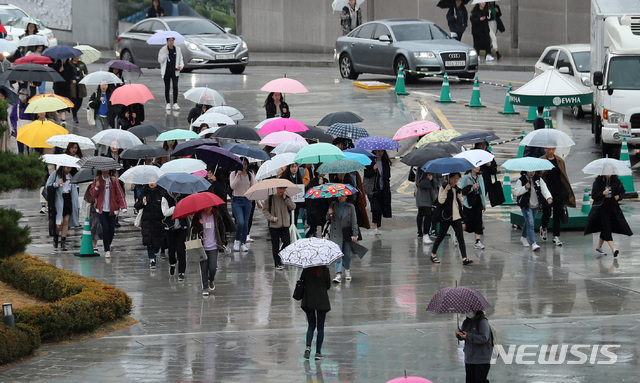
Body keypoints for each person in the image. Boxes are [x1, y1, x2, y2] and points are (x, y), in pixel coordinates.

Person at [584, 167, 633, 257]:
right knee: (606, 227)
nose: (609, 172)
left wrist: (618, 196)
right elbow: (594, 195)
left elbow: (622, 192)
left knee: (607, 227)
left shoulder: (616, 181)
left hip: (612, 208)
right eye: (606, 170)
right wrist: (603, 193)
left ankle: (599, 247)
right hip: (601, 208)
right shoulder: (598, 182)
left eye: (610, 170)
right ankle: (613, 249)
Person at [429, 173, 473, 265]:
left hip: (456, 216)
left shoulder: (457, 189)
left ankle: (464, 258)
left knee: (460, 237)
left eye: (457, 178)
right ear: (449, 178)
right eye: (454, 178)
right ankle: (433, 254)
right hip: (446, 217)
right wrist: (445, 190)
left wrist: (460, 198)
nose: (456, 180)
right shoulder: (443, 187)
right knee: (441, 236)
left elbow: (461, 202)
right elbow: (440, 201)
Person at [539, 147, 575, 246]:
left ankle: (556, 236)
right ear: (545, 149)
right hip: (546, 190)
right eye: (548, 149)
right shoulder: (541, 160)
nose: (551, 151)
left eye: (552, 149)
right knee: (546, 211)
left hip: (558, 190)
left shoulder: (559, 161)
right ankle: (544, 227)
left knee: (557, 213)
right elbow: (539, 176)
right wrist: (544, 170)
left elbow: (563, 176)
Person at [89, 169, 127, 258]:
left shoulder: (114, 180)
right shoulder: (97, 180)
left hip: (112, 209)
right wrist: (97, 187)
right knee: (105, 229)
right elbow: (93, 194)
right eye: (103, 169)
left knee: (111, 230)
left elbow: (119, 193)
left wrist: (123, 207)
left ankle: (107, 244)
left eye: (106, 169)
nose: (105, 171)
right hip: (101, 209)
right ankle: (107, 250)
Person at [513, 170, 552, 251]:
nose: (531, 173)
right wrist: (525, 188)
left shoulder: (538, 179)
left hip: (536, 205)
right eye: (529, 171)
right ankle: (533, 243)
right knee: (531, 223)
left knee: (528, 221)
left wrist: (548, 197)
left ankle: (523, 237)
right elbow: (516, 192)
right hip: (526, 206)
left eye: (533, 171)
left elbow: (544, 189)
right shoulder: (522, 179)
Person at [191, 206, 226, 296]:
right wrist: (199, 224)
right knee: (204, 268)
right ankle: (205, 287)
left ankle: (211, 279)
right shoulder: (198, 216)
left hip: (213, 246)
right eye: (205, 207)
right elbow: (193, 230)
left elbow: (221, 228)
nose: (207, 208)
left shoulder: (216, 215)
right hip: (202, 247)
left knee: (213, 267)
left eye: (209, 207)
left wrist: (222, 242)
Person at [300, 265, 331, 361]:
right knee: (320, 327)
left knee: (311, 325)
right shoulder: (325, 269)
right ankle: (318, 352)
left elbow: (301, 282)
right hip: (322, 300)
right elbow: (328, 286)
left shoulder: (306, 269)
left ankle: (308, 347)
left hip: (309, 300)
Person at [45, 166, 79, 251]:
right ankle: (56, 238)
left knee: (66, 221)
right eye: (67, 168)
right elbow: (48, 185)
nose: (69, 169)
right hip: (59, 200)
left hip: (68, 199)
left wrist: (77, 204)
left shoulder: (72, 175)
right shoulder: (55, 174)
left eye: (70, 168)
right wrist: (57, 184)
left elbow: (74, 189)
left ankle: (63, 242)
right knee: (60, 222)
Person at [135, 180, 167, 269]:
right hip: (147, 221)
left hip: (158, 221)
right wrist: (143, 203)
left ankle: (156, 253)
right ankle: (152, 259)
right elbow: (137, 205)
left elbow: (165, 207)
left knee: (158, 242)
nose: (152, 183)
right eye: (150, 181)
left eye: (154, 181)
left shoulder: (162, 193)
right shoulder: (144, 192)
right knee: (149, 241)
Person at [327, 195, 359, 283]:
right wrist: (329, 213)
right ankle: (338, 273)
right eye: (339, 196)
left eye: (342, 196)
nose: (340, 197)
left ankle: (347, 269)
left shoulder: (350, 207)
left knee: (347, 254)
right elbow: (327, 219)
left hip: (347, 233)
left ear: (346, 197)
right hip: (336, 233)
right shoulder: (333, 205)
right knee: (337, 254)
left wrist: (355, 234)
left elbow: (354, 221)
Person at [262, 186, 296, 270]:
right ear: (277, 188)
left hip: (285, 225)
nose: (282, 190)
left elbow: (293, 207)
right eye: (280, 188)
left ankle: (280, 254)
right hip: (274, 225)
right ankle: (277, 263)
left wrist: (286, 200)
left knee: (287, 242)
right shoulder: (270, 199)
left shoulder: (287, 198)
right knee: (275, 245)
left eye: (284, 189)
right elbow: (265, 210)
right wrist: (271, 218)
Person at [455, 310, 493, 383]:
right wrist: (458, 333)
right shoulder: (466, 322)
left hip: (481, 359)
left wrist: (468, 336)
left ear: (475, 311)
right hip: (469, 358)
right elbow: (463, 337)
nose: (467, 312)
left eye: (469, 310)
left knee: (480, 380)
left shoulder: (482, 322)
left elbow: (484, 338)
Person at [161, 192, 189, 280]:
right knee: (171, 248)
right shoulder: (165, 197)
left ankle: (181, 271)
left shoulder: (184, 196)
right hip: (170, 228)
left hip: (182, 227)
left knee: (181, 249)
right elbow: (165, 212)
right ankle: (172, 264)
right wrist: (175, 208)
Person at [230, 157, 255, 252]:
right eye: (241, 164)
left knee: (246, 223)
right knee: (240, 222)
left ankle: (243, 242)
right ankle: (237, 240)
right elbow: (233, 186)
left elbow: (253, 188)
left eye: (245, 164)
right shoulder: (233, 174)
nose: (243, 166)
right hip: (236, 200)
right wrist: (238, 175)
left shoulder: (249, 175)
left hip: (247, 200)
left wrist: (258, 201)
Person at [363, 150, 392, 234]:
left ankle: (378, 225)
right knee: (376, 208)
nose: (380, 153)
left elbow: (388, 176)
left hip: (383, 188)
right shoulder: (370, 161)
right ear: (375, 151)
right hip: (373, 189)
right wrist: (373, 169)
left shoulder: (385, 162)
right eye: (378, 151)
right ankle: (375, 226)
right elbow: (366, 174)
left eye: (382, 151)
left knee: (382, 207)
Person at [461, 167, 486, 249]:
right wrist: (471, 188)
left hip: (478, 201)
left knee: (478, 221)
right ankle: (457, 233)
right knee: (466, 223)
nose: (478, 168)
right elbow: (463, 191)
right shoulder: (466, 177)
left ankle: (477, 241)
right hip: (469, 202)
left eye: (479, 166)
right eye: (476, 166)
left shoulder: (480, 177)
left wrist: (483, 203)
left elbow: (482, 190)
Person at [415, 168, 440, 245]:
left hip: (432, 195)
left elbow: (437, 183)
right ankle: (421, 231)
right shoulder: (420, 169)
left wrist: (432, 179)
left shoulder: (435, 169)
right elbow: (419, 183)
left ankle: (426, 233)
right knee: (423, 213)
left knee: (428, 214)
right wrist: (427, 179)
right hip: (422, 195)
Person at [158, 37, 184, 111]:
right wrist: (165, 55)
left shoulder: (178, 49)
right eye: (170, 40)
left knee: (175, 86)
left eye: (172, 40)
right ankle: (168, 103)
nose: (171, 42)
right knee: (167, 87)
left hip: (175, 71)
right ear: (167, 41)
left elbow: (181, 58)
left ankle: (175, 103)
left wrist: (181, 66)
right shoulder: (163, 49)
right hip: (166, 71)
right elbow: (160, 60)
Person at [10, 88, 34, 155]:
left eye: (23, 94)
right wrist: (14, 125)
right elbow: (12, 117)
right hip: (19, 130)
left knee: (29, 148)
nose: (21, 96)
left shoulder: (30, 106)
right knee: (20, 149)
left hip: (28, 130)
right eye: (20, 94)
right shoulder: (16, 106)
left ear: (27, 95)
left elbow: (32, 117)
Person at [305, 173, 329, 238]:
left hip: (323, 206)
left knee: (323, 224)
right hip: (314, 207)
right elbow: (310, 192)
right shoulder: (313, 181)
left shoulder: (326, 180)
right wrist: (319, 185)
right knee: (313, 226)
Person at [50, 59, 73, 127]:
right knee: (60, 102)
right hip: (58, 87)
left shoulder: (69, 66)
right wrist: (59, 71)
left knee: (65, 103)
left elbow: (72, 75)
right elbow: (53, 76)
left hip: (66, 87)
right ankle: (63, 119)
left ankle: (63, 118)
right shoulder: (56, 65)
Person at [68, 56, 88, 125]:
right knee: (74, 100)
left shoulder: (81, 64)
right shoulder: (69, 64)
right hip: (72, 86)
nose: (77, 57)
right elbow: (67, 74)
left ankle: (75, 112)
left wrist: (85, 75)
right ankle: (75, 115)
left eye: (78, 56)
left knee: (80, 101)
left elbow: (86, 71)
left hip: (80, 85)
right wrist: (71, 80)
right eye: (76, 56)